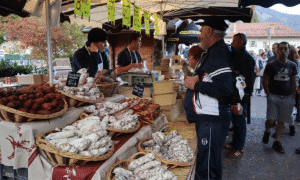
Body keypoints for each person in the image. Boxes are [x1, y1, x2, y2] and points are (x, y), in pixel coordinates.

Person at [184, 16, 234, 180]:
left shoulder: (218, 53)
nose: (199, 35)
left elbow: (226, 89)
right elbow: (213, 78)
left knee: (206, 167)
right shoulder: (213, 52)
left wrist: (196, 86)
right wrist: (198, 77)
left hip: (212, 120)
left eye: (201, 31)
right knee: (212, 162)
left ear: (210, 31)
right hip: (209, 118)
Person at [262, 41, 297, 153]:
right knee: (271, 120)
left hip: (287, 97)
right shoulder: (271, 65)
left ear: (289, 51)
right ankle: (267, 130)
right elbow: (265, 80)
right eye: (280, 49)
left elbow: (293, 82)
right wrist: (268, 94)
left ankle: (277, 141)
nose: (283, 51)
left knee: (281, 120)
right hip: (274, 96)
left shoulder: (292, 65)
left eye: (285, 49)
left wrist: (293, 97)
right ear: (277, 50)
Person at [224, 33, 255, 157]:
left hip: (241, 96)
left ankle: (239, 148)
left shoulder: (246, 58)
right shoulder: (235, 54)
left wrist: (245, 95)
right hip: (234, 95)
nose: (231, 43)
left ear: (242, 42)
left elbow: (249, 80)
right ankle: (234, 143)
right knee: (235, 122)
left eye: (234, 41)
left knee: (240, 121)